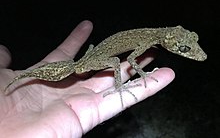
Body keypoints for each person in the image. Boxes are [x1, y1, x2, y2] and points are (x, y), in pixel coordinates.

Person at [0, 20, 175, 137]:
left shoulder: (150, 35)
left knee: (101, 58)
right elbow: (129, 60)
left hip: (90, 57)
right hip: (89, 61)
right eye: (183, 48)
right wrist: (141, 74)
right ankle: (119, 87)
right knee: (115, 61)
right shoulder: (148, 38)